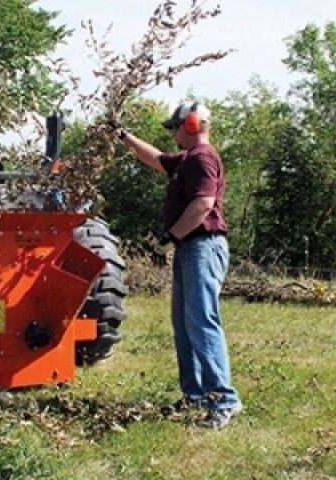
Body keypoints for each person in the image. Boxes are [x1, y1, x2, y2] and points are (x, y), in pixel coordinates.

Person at [112, 102, 242, 429]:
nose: (172, 133)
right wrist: (122, 135)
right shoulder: (186, 160)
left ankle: (223, 400)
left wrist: (171, 236)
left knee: (201, 321)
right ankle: (195, 396)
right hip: (191, 248)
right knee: (185, 325)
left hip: (202, 247)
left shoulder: (202, 158)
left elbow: (203, 204)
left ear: (193, 123)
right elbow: (154, 158)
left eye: (175, 126)